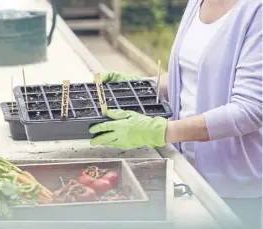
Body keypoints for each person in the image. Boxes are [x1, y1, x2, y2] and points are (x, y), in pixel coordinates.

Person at [89, 0, 262, 228]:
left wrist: (163, 131)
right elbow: (192, 76)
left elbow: (249, 110)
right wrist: (141, 87)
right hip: (186, 171)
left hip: (235, 187)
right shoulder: (197, 3)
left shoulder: (256, 12)